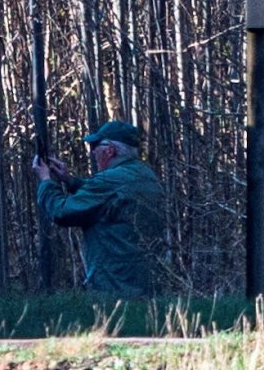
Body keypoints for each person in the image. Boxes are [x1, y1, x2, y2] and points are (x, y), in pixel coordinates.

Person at [33, 118, 170, 295]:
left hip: (116, 285)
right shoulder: (146, 175)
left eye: (95, 147)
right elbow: (111, 199)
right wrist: (69, 180)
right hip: (149, 285)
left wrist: (45, 181)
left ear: (110, 151)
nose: (93, 153)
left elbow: (61, 211)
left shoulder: (109, 181)